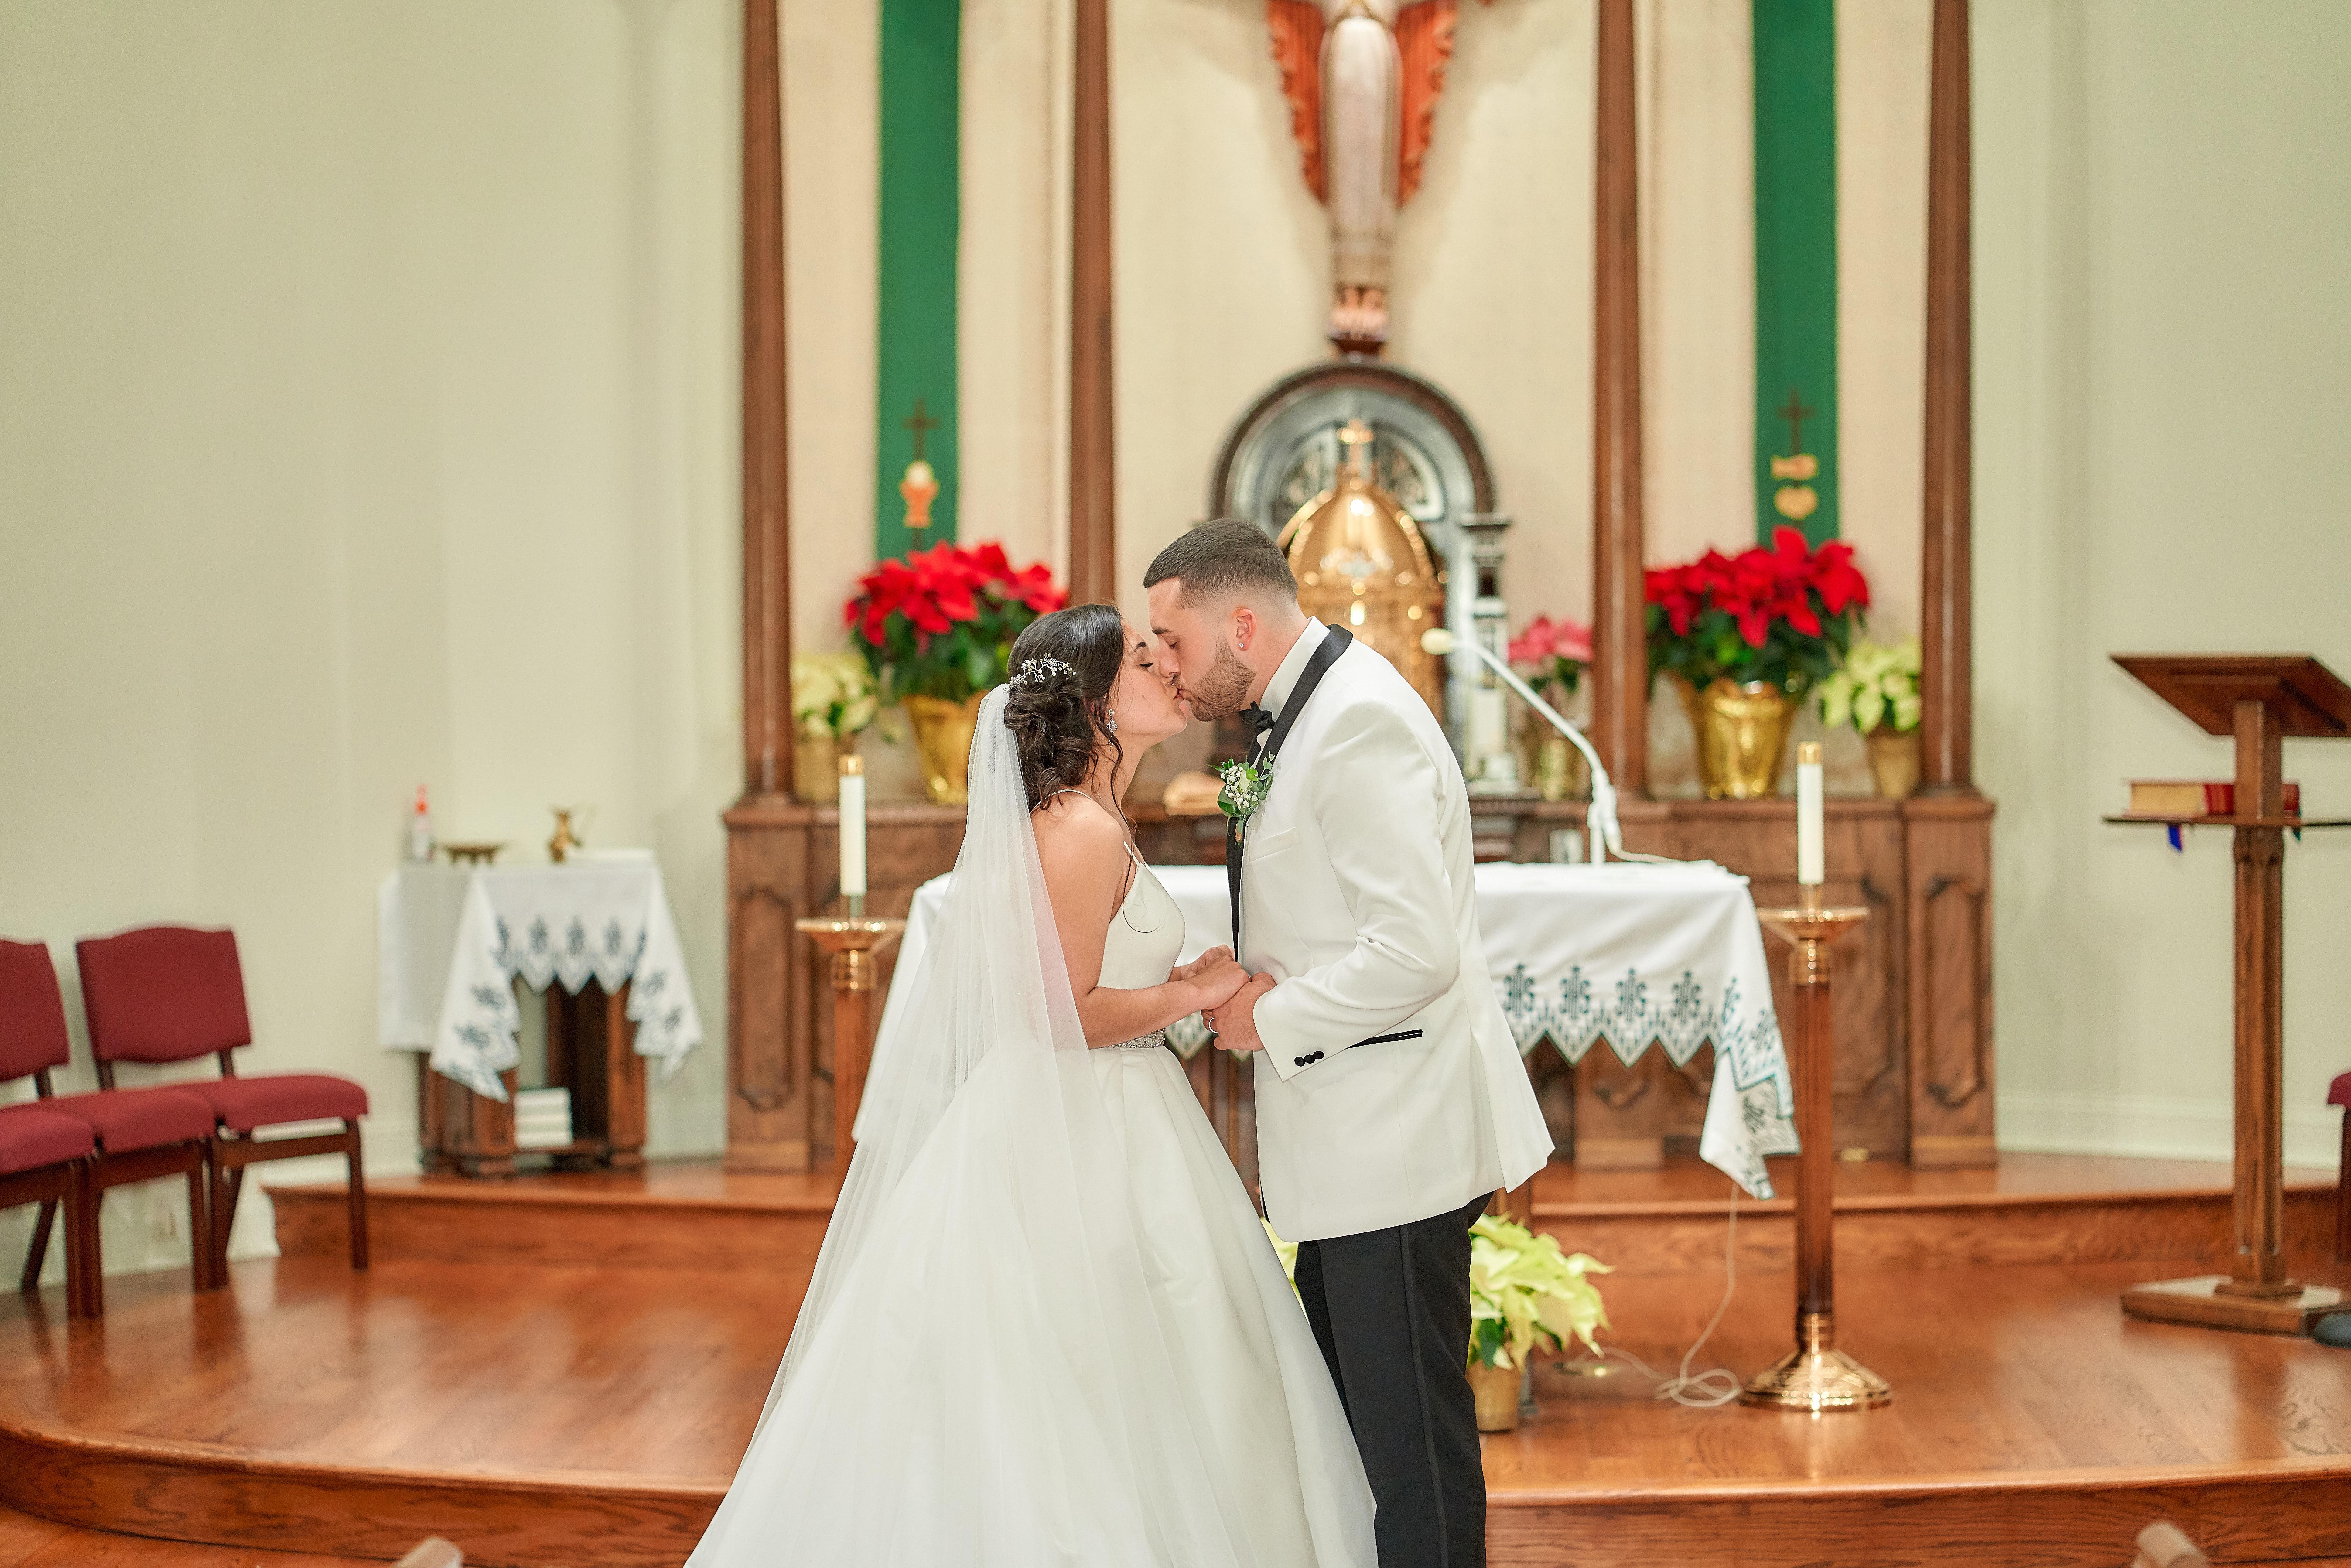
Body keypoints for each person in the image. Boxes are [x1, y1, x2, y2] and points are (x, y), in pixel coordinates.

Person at [685, 602, 1375, 1568]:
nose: (1170, 669)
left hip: (1113, 1105)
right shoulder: (1080, 829)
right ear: (1095, 705)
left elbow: (1082, 980)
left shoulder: (1096, 818)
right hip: (1084, 1121)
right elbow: (1063, 1015)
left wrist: (1175, 982)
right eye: (1145, 661)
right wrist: (1189, 994)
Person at [1145, 519, 1554, 1568]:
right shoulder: (1306, 714)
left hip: (1394, 1144)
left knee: (1411, 1456)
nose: (1170, 667)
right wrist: (1249, 968)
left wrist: (1268, 1016)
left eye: (1177, 641)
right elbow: (1331, 913)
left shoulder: (1358, 720)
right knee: (1362, 1449)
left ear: (1243, 623)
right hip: (1352, 1146)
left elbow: (1416, 951)